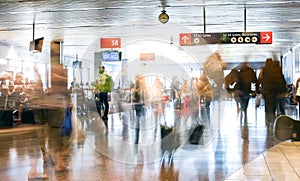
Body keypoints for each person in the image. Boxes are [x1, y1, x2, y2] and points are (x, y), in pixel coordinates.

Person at [94, 66, 113, 130]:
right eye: (99, 69)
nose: (100, 70)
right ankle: (101, 115)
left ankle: (105, 115)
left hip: (104, 91)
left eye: (101, 69)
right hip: (100, 92)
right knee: (99, 103)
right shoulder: (99, 76)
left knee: (105, 103)